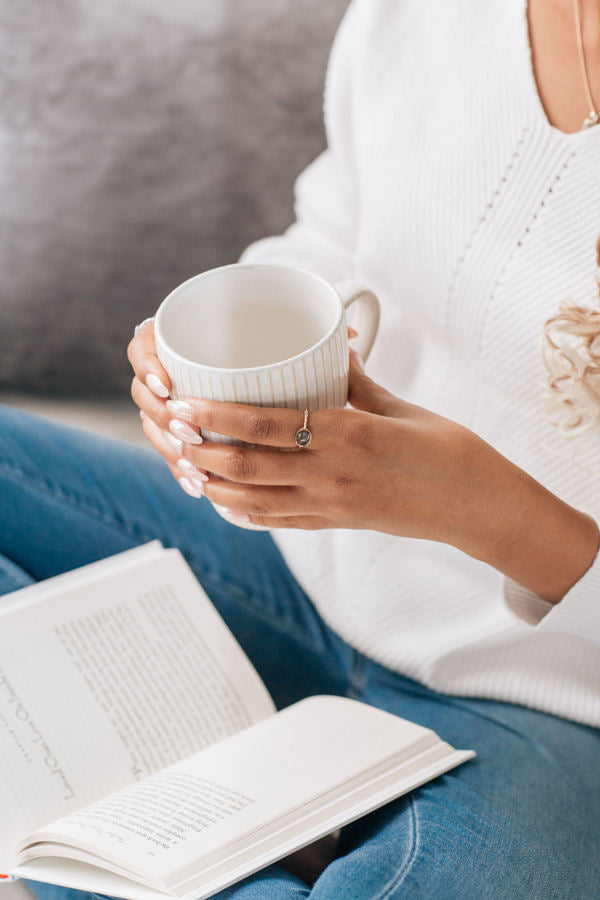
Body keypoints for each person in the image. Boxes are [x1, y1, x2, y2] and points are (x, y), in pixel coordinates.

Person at [2, 0, 599, 896]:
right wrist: (207, 365)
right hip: (292, 566)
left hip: (538, 699)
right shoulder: (421, 18)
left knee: (88, 866)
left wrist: (481, 506)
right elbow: (326, 243)